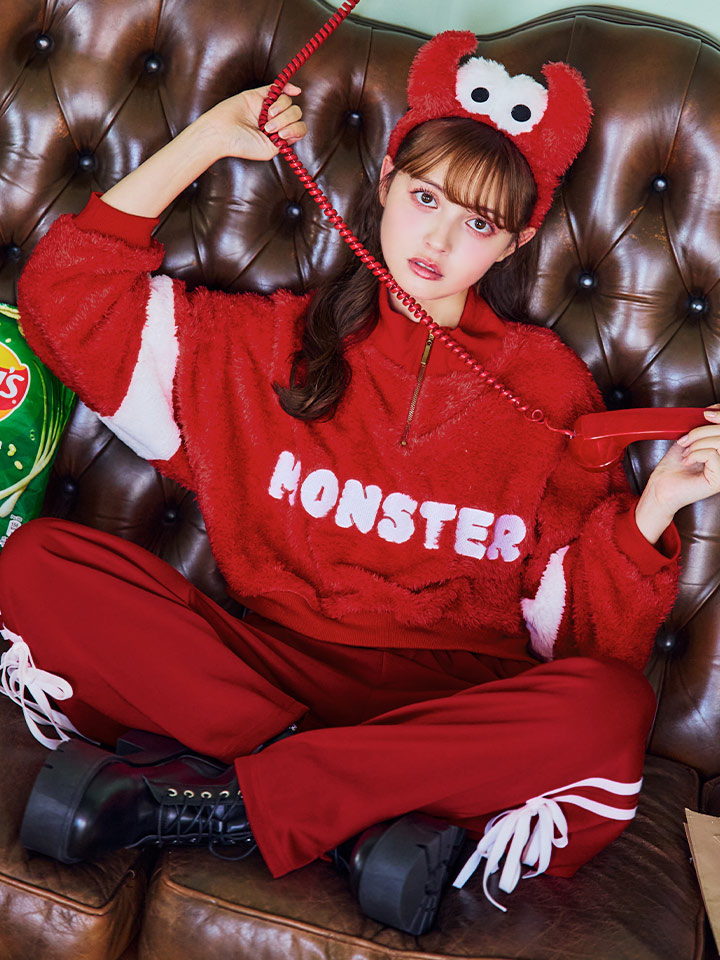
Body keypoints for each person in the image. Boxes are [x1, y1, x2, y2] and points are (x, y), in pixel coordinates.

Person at [2, 30, 720, 934]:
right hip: (263, 676)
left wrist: (655, 507)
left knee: (610, 713)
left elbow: (581, 640)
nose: (439, 238)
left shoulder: (549, 389)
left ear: (517, 241)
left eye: (479, 224)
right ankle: (346, 807)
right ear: (384, 182)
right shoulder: (265, 342)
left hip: (449, 706)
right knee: (36, 566)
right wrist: (206, 141)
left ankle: (232, 797)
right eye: (424, 197)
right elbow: (68, 301)